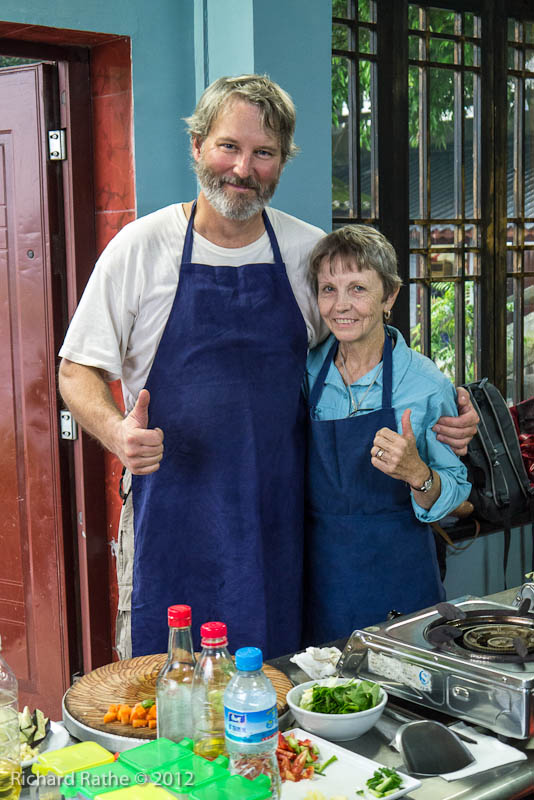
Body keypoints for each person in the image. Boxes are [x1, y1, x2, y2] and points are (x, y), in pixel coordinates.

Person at [58, 74, 477, 660]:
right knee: (171, 683)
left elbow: (358, 351)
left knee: (278, 683)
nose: (243, 168)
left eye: (264, 153)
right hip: (174, 517)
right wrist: (115, 432)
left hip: (282, 524)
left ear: (282, 161)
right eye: (229, 146)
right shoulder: (141, 248)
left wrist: (441, 408)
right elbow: (75, 370)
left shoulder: (307, 252)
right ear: (197, 145)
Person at [303, 225, 472, 645]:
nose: (341, 306)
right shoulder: (306, 371)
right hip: (321, 575)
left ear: (390, 296)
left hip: (399, 573)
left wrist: (418, 474)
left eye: (358, 289)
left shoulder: (425, 384)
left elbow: (456, 490)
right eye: (328, 289)